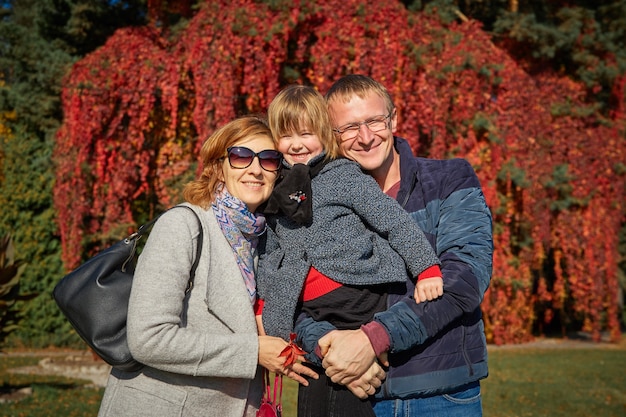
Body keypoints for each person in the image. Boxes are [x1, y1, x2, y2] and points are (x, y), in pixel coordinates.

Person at [295, 74, 494, 416]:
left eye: (375, 121)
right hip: (353, 392)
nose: (366, 137)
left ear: (394, 119)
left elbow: (465, 279)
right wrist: (331, 349)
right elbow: (291, 294)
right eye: (350, 127)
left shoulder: (448, 179)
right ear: (332, 134)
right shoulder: (313, 203)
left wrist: (373, 338)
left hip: (439, 397)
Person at [97, 115, 316, 417]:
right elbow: (148, 338)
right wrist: (253, 352)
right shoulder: (183, 225)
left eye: (268, 159)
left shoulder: (262, 239)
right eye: (241, 156)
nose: (255, 168)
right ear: (218, 167)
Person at [256, 85, 444, 417]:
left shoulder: (342, 175)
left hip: (355, 293)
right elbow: (271, 251)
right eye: (286, 135)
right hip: (310, 307)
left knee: (348, 394)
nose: (297, 143)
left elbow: (392, 221)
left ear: (324, 134)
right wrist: (264, 302)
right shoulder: (278, 187)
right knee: (313, 390)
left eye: (306, 133)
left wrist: (426, 267)